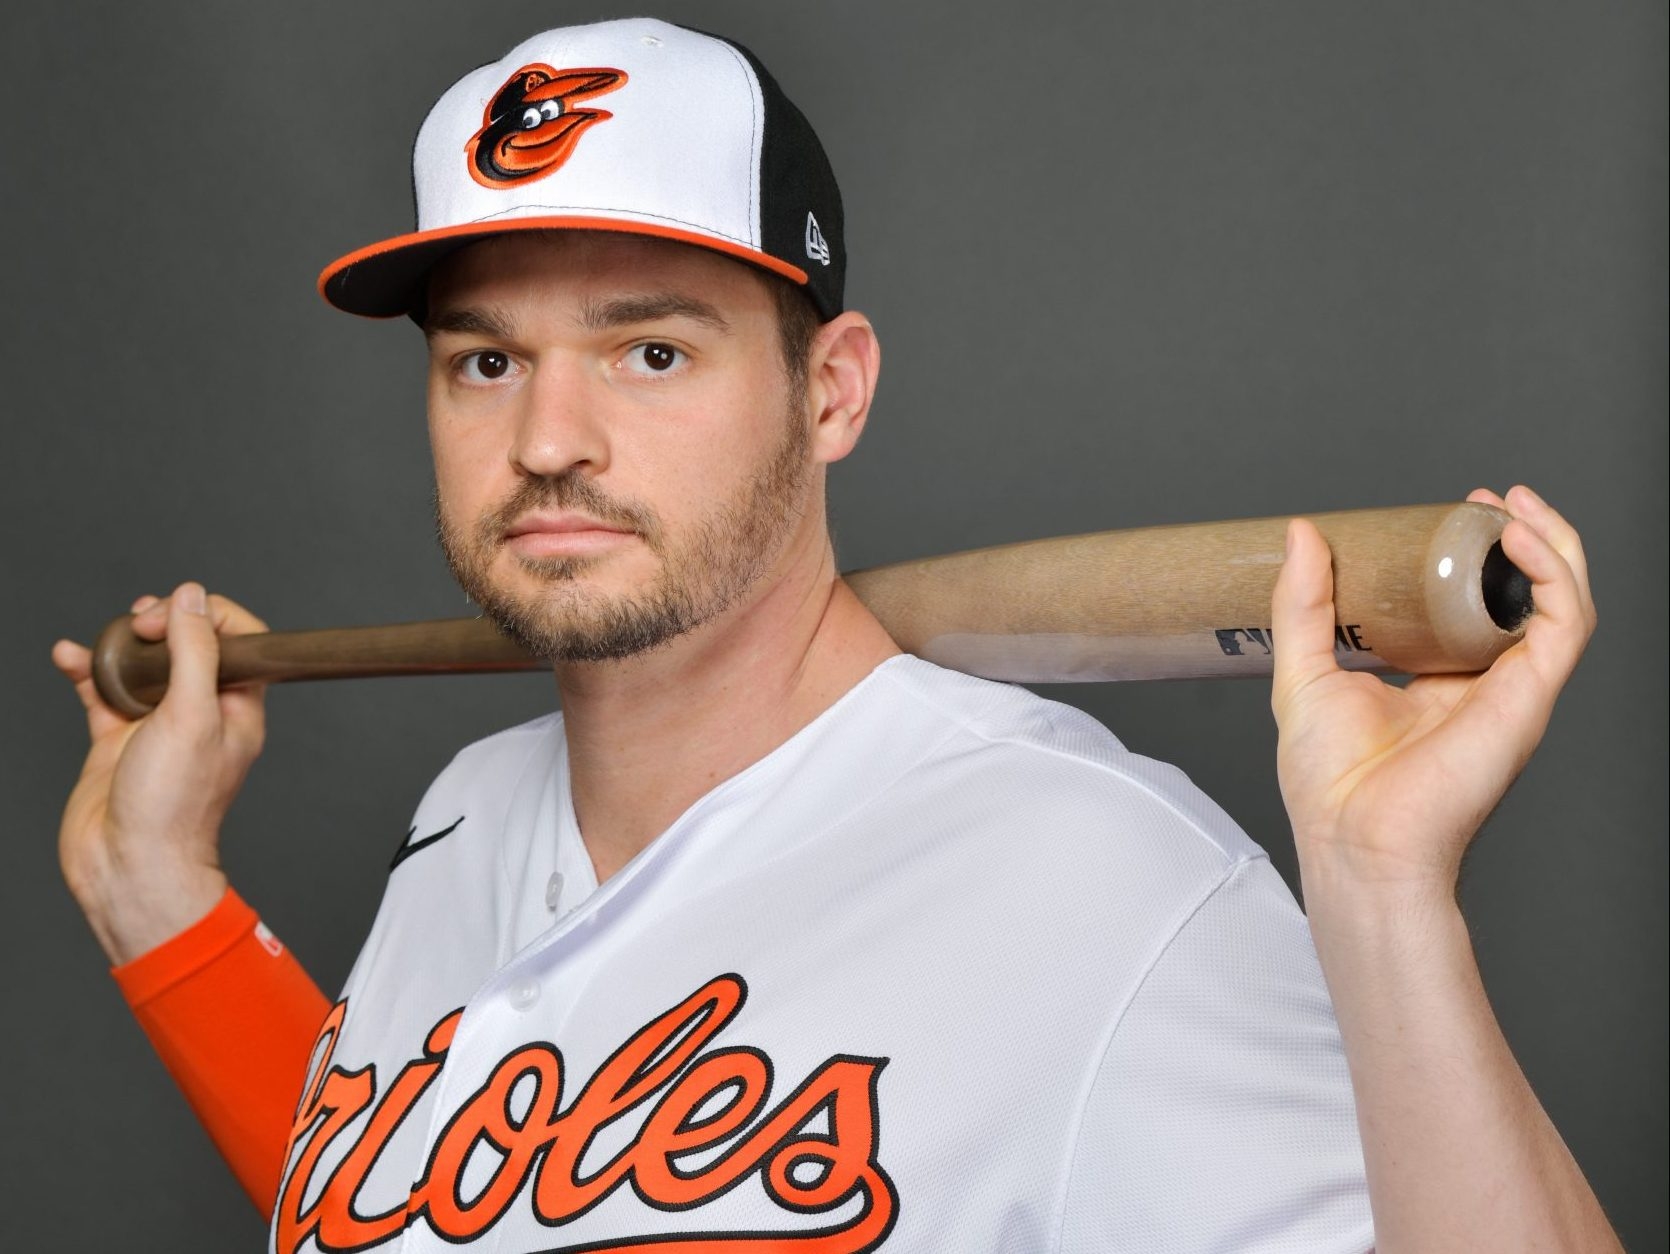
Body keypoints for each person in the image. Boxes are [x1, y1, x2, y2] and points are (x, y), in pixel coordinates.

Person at [51, 16, 1618, 1253]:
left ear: (832, 389)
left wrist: (1383, 897)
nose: (548, 440)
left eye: (649, 349)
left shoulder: (1097, 881)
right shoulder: (461, 817)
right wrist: (159, 898)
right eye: (483, 364)